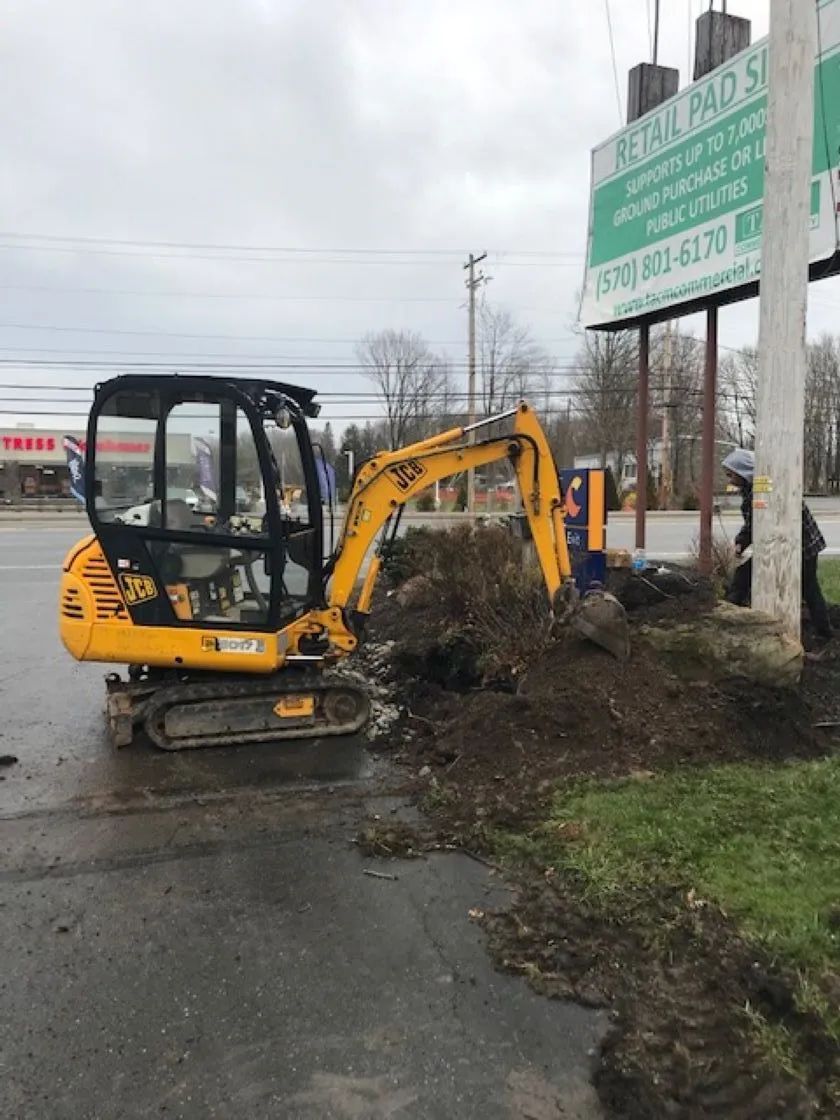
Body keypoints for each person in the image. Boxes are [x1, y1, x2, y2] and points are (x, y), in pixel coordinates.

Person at [722, 448, 832, 641]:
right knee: (744, 574)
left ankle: (824, 634)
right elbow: (754, 525)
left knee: (809, 587)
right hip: (780, 545)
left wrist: (745, 541)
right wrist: (741, 542)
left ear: (743, 472)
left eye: (731, 474)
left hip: (802, 545)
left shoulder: (763, 491)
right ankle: (730, 616)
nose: (729, 480)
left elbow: (761, 523)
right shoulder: (752, 491)